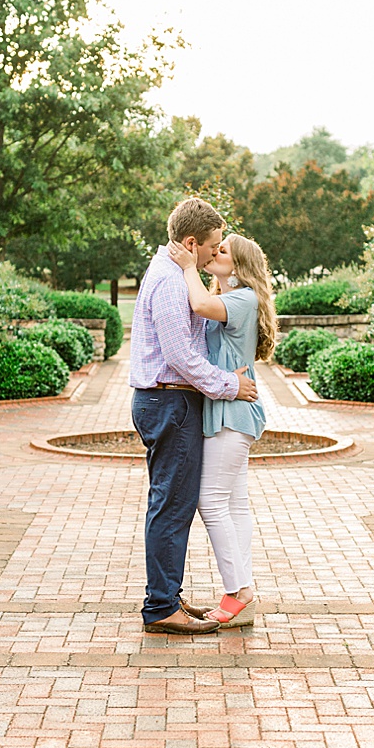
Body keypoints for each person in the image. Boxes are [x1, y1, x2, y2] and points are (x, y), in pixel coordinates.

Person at [129, 198, 259, 635]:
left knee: (174, 504)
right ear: (191, 242)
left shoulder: (174, 273)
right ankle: (162, 607)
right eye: (214, 245)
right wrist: (230, 385)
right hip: (169, 400)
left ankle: (168, 596)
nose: (214, 252)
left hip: (173, 401)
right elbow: (181, 356)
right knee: (172, 506)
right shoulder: (170, 280)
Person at [166, 233, 276, 628]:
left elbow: (199, 303)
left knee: (210, 501)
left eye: (223, 251)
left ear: (240, 265)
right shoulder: (233, 298)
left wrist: (189, 266)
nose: (215, 252)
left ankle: (239, 589)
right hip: (227, 409)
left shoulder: (243, 298)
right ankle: (239, 590)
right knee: (233, 504)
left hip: (232, 413)